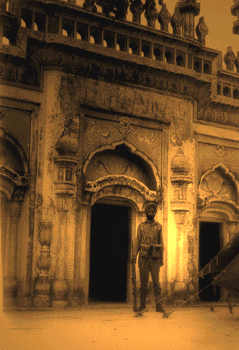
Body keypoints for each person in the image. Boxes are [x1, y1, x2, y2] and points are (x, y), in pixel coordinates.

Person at [132, 202, 165, 313]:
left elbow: (162, 243)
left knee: (156, 282)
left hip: (155, 258)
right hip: (143, 258)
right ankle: (142, 305)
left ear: (155, 213)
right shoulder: (141, 226)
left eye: (153, 212)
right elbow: (137, 241)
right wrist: (134, 255)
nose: (151, 213)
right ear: (146, 212)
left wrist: (161, 259)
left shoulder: (159, 226)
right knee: (143, 282)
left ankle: (159, 305)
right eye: (149, 211)